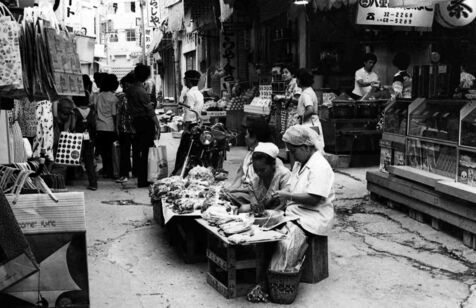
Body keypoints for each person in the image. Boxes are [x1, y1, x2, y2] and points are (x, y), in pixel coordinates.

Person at [269, 125, 335, 272]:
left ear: (306, 147)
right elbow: (293, 186)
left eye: (294, 151)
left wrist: (288, 196)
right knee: (268, 228)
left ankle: (281, 273)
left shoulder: (320, 166)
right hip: (297, 211)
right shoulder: (299, 164)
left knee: (287, 242)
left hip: (314, 216)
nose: (292, 155)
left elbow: (314, 199)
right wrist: (283, 194)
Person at [126, 64, 161, 187]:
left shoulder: (130, 89)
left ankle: (140, 175)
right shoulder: (141, 91)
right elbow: (150, 110)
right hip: (145, 122)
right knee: (146, 151)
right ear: (146, 76)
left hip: (135, 121)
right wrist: (158, 124)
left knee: (138, 149)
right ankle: (143, 179)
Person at [223, 121, 273, 206]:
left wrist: (234, 191)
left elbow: (259, 189)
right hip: (245, 192)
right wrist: (230, 189)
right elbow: (239, 177)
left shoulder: (266, 158)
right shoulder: (248, 155)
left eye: (246, 134)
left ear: (254, 137)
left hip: (256, 197)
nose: (244, 137)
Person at [239, 142, 291, 213]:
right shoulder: (254, 180)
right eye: (256, 169)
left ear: (273, 164)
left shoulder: (284, 174)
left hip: (281, 212)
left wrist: (267, 215)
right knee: (243, 209)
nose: (259, 173)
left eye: (262, 170)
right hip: (265, 211)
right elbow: (255, 203)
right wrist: (256, 206)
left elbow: (284, 204)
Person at [171, 70, 204, 176]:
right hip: (197, 124)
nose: (184, 80)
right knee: (194, 151)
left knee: (183, 151)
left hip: (190, 125)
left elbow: (189, 113)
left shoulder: (189, 94)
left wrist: (186, 128)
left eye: (185, 79)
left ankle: (178, 173)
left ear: (188, 81)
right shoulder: (199, 93)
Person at [96, 73, 119, 179]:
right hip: (110, 127)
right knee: (110, 151)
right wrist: (116, 128)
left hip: (99, 126)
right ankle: (111, 171)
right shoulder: (114, 98)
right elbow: (114, 114)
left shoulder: (98, 96)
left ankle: (105, 170)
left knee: (103, 151)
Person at [72, 95, 98, 190]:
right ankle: (93, 183)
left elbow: (72, 125)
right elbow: (95, 125)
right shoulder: (92, 112)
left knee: (73, 157)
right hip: (89, 139)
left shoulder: (74, 112)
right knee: (89, 161)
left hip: (76, 139)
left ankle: (70, 179)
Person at [115, 72, 136, 184]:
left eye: (124, 85)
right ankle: (133, 172)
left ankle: (124, 174)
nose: (123, 88)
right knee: (133, 151)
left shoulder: (123, 98)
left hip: (125, 128)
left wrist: (117, 126)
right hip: (134, 127)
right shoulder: (136, 96)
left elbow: (119, 113)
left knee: (125, 152)